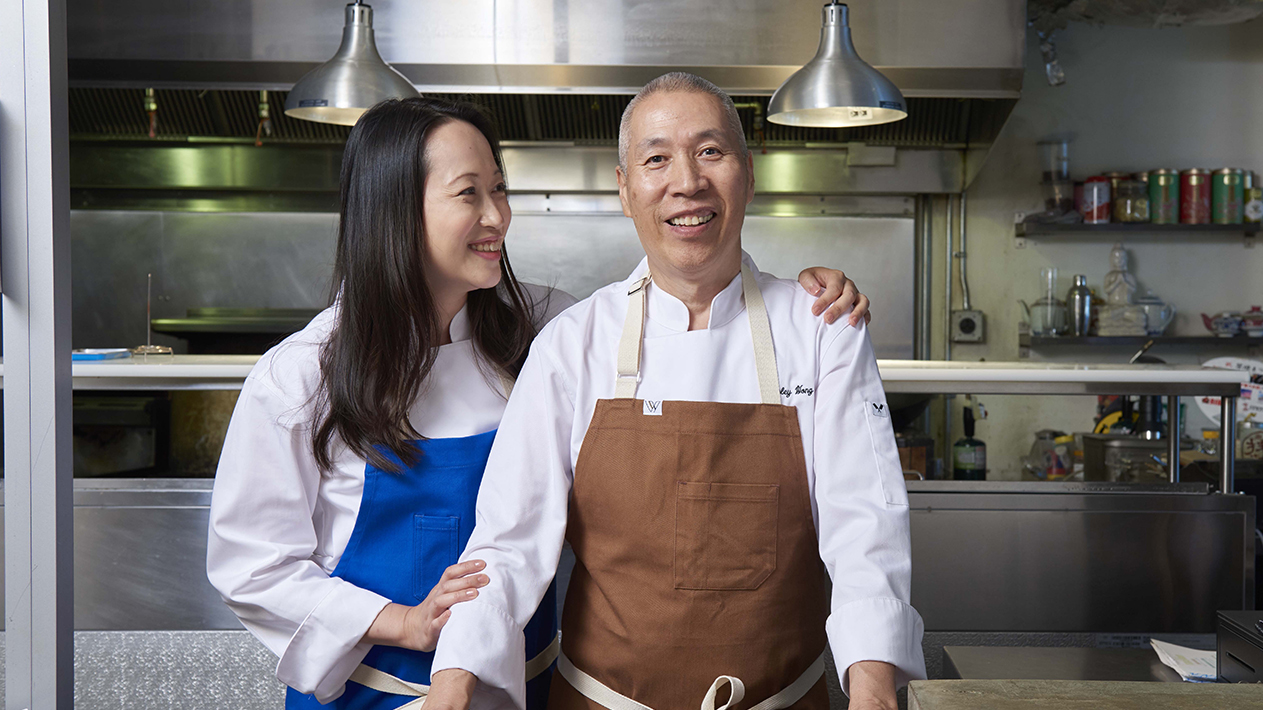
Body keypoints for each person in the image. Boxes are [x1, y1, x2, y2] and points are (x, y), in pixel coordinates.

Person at [206, 96, 871, 710]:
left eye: (499, 189)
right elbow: (252, 567)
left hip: (527, 688)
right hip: (371, 692)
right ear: (395, 212)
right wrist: (401, 623)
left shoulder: (538, 328)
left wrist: (806, 294)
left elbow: (677, 310)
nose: (499, 216)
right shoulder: (302, 376)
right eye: (471, 194)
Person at [425, 73, 924, 710]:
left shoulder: (822, 329)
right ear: (625, 189)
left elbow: (866, 524)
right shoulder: (574, 341)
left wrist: (874, 693)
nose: (686, 181)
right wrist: (453, 684)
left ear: (748, 171)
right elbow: (508, 542)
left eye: (710, 151)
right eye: (656, 158)